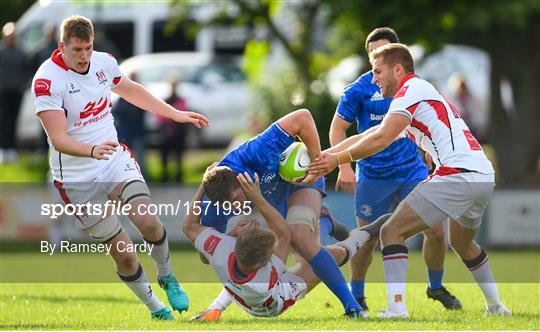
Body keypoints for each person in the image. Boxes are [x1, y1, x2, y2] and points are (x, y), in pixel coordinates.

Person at [309, 43, 511, 318]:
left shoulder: (410, 91)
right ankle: (496, 307)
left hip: (457, 175)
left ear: (398, 69)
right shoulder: (418, 94)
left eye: (377, 71)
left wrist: (338, 160)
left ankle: (396, 308)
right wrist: (323, 156)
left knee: (390, 232)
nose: (374, 78)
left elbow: (381, 138)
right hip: (482, 176)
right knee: (463, 244)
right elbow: (372, 134)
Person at [32, 15, 209, 320]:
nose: (84, 55)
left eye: (88, 48)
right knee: (125, 255)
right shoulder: (47, 80)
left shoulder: (104, 63)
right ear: (61, 47)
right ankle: (155, 308)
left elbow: (132, 90)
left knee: (149, 222)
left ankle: (166, 275)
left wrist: (174, 115)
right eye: (77, 50)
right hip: (75, 178)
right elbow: (58, 139)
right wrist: (90, 150)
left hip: (113, 158)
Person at [329, 27, 460, 311]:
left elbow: (429, 119)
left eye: (384, 50)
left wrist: (428, 150)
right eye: (373, 53)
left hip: (411, 172)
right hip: (373, 176)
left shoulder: (415, 86)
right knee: (366, 241)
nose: (379, 57)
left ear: (397, 57)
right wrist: (344, 166)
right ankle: (358, 297)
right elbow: (338, 129)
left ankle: (435, 287)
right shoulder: (359, 89)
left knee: (437, 231)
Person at [195, 109, 365, 319]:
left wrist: (315, 164)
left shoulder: (257, 151)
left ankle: (352, 307)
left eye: (237, 201)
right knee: (302, 258)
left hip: (300, 180)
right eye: (228, 207)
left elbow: (303, 116)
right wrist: (230, 236)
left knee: (299, 237)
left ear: (240, 180)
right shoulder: (214, 201)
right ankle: (324, 222)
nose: (235, 209)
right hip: (271, 198)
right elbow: (205, 256)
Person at [183, 171, 387, 318]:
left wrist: (204, 184)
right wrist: (258, 198)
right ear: (264, 263)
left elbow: (189, 225)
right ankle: (361, 235)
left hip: (241, 289)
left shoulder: (220, 247)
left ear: (234, 245)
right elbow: (284, 234)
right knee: (321, 259)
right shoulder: (265, 278)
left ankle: (324, 222)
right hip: (275, 301)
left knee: (309, 250)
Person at [0, 22, 29, 163]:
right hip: (3, 91)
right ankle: (3, 148)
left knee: (14, 120)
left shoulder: (21, 52)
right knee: (3, 120)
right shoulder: (1, 51)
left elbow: (27, 71)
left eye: (13, 36)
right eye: (9, 36)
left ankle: (11, 148)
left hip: (16, 92)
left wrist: (23, 84)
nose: (11, 38)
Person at [112, 72, 147, 176]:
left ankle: (142, 177)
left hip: (137, 132)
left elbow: (143, 110)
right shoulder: (123, 96)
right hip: (125, 132)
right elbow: (116, 111)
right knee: (125, 158)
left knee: (140, 158)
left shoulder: (141, 95)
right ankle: (126, 176)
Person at [156, 76, 189, 183]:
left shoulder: (180, 100)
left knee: (178, 156)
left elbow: (180, 112)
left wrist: (169, 115)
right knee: (165, 156)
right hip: (166, 133)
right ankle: (165, 175)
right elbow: (160, 116)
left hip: (178, 133)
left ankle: (178, 176)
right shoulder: (167, 100)